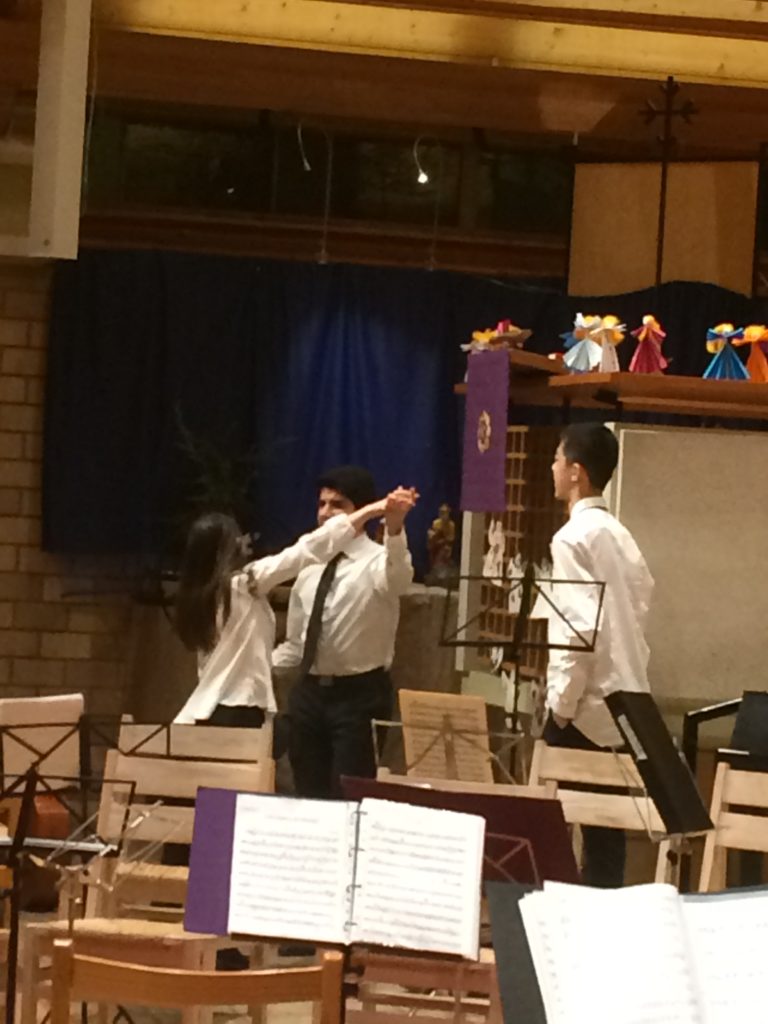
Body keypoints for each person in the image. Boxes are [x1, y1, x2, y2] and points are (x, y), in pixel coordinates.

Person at [173, 495, 395, 727]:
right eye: (237, 538)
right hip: (238, 707)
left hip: (205, 708)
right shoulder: (243, 585)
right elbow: (305, 550)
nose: (244, 541)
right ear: (225, 550)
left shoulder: (197, 596)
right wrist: (370, 511)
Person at [544, 423, 654, 887]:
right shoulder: (619, 533)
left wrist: (560, 707)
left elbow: (578, 631)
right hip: (626, 698)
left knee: (547, 829)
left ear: (576, 472)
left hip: (584, 707)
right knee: (606, 836)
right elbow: (640, 607)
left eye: (557, 459)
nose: (552, 467)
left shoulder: (572, 537)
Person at [273, 465, 417, 798]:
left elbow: (399, 578)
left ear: (361, 512)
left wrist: (394, 528)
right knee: (306, 796)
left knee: (348, 797)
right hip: (308, 692)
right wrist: (256, 668)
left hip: (359, 696)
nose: (325, 513)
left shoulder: (378, 560)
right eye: (322, 504)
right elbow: (296, 644)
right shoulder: (309, 562)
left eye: (337, 505)